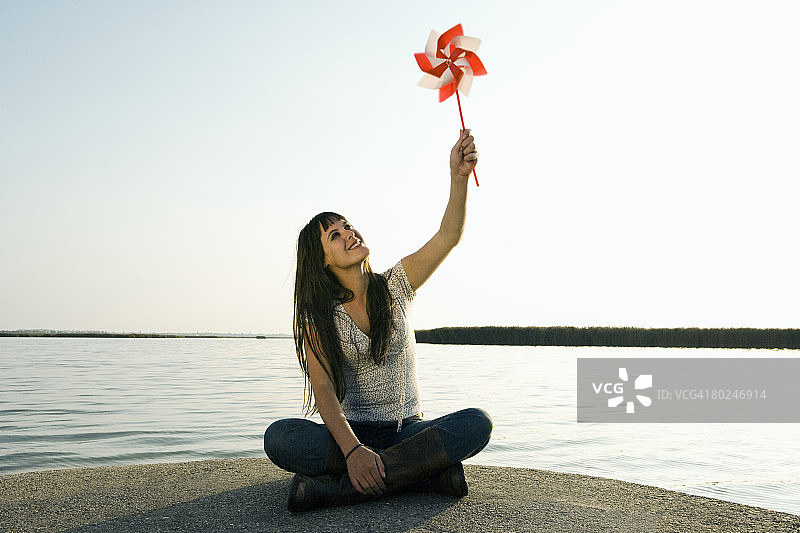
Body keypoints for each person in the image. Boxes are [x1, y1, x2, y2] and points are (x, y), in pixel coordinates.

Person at [264, 130, 492, 512]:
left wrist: (458, 178)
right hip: (350, 435)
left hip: (408, 431)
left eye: (348, 226)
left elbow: (447, 236)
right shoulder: (317, 317)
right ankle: (424, 474)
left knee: (477, 423)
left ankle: (336, 490)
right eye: (335, 235)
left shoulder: (396, 285)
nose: (349, 234)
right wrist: (354, 450)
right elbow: (322, 387)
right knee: (279, 438)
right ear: (323, 260)